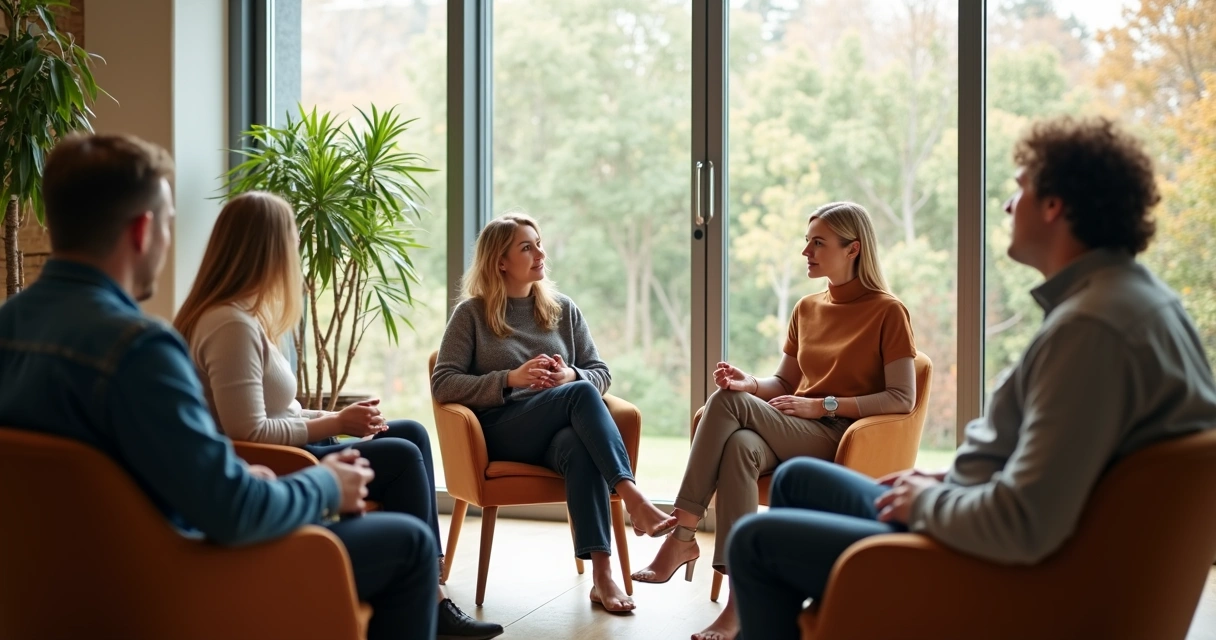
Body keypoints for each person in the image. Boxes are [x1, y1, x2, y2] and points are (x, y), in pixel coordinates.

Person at [726, 116, 1216, 640]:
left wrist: (927, 502)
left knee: (755, 541)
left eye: (1020, 189)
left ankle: (858, 598)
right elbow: (1054, 466)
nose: (1007, 205)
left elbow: (1026, 522)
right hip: (973, 515)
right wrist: (945, 480)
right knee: (799, 479)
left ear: (1054, 206)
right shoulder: (1135, 302)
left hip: (985, 562)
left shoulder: (1092, 331)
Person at [0, 134, 437, 640]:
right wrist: (325, 485)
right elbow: (233, 513)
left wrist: (237, 472)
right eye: (169, 223)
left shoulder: (9, 327)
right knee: (409, 543)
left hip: (55, 589)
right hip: (168, 584)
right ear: (143, 230)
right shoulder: (138, 351)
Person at [172, 192, 502, 640]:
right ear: (270, 250)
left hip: (295, 446)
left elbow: (278, 410)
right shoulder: (230, 325)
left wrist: (339, 415)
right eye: (291, 242)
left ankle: (432, 583)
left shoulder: (241, 317)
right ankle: (430, 596)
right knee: (402, 456)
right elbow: (247, 430)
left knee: (410, 432)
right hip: (283, 461)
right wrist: (336, 425)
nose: (295, 255)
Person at [632, 201, 916, 640]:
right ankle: (738, 604)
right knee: (739, 444)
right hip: (796, 427)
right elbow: (784, 382)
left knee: (723, 404)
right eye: (807, 242)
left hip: (840, 437)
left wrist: (825, 407)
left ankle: (682, 534)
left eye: (818, 243)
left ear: (853, 248)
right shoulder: (806, 308)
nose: (806, 252)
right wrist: (750, 384)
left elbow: (901, 398)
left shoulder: (888, 311)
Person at [431, 212, 676, 614]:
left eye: (539, 243)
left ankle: (602, 577)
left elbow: (600, 372)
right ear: (501, 262)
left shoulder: (563, 309)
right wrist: (511, 378)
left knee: (580, 445)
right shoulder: (471, 314)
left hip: (558, 430)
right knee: (578, 394)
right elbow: (443, 383)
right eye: (527, 247)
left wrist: (569, 374)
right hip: (503, 431)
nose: (540, 253)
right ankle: (632, 497)